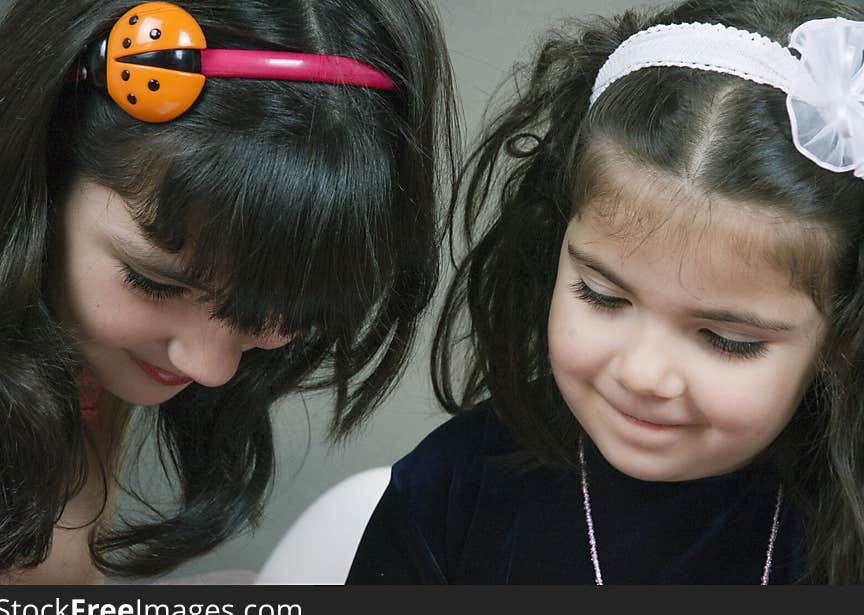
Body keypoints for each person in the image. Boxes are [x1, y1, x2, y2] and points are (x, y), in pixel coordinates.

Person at [347, 0, 864, 584]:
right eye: (601, 297)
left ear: (842, 334)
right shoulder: (447, 495)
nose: (644, 374)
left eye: (727, 340)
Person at [0, 0, 456, 584]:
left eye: (274, 311)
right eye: (153, 282)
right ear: (45, 168)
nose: (210, 367)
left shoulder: (80, 354)